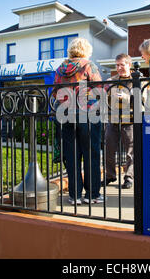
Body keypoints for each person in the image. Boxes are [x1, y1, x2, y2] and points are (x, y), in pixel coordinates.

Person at [54, 38, 103, 205]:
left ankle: (74, 196)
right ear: (86, 50)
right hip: (87, 114)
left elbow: (55, 92)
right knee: (91, 154)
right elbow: (99, 88)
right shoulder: (88, 65)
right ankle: (92, 195)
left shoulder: (60, 68)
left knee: (72, 155)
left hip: (65, 114)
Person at [103, 54, 135, 190]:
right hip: (113, 119)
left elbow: (143, 99)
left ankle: (129, 177)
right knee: (108, 149)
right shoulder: (112, 80)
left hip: (131, 120)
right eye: (117, 65)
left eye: (122, 64)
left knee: (130, 151)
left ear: (129, 65)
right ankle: (110, 176)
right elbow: (104, 99)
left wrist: (126, 97)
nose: (119, 68)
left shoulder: (138, 79)